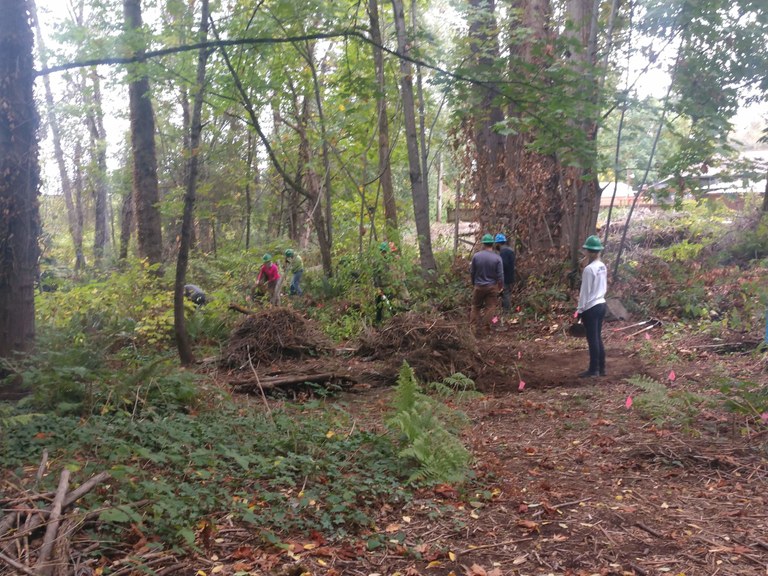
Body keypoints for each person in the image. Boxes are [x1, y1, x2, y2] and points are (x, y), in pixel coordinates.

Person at [575, 235, 607, 377]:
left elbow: (585, 292)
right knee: (597, 337)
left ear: (589, 251)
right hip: (601, 304)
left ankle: (593, 370)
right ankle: (601, 368)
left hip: (591, 307)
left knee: (592, 339)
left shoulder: (589, 269)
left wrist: (579, 310)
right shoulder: (602, 266)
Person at [470, 234, 504, 336]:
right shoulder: (497, 258)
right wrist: (500, 286)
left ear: (483, 244)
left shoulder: (476, 256)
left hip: (478, 286)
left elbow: (472, 272)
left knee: (475, 307)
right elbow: (500, 275)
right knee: (490, 307)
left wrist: (474, 283)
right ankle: (486, 329)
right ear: (492, 244)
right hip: (492, 287)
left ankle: (473, 329)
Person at [494, 233, 515, 312]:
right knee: (506, 293)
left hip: (505, 277)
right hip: (510, 276)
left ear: (498, 243)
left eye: (496, 243)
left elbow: (504, 265)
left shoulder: (504, 252)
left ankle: (506, 311)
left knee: (505, 294)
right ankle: (505, 310)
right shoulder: (510, 250)